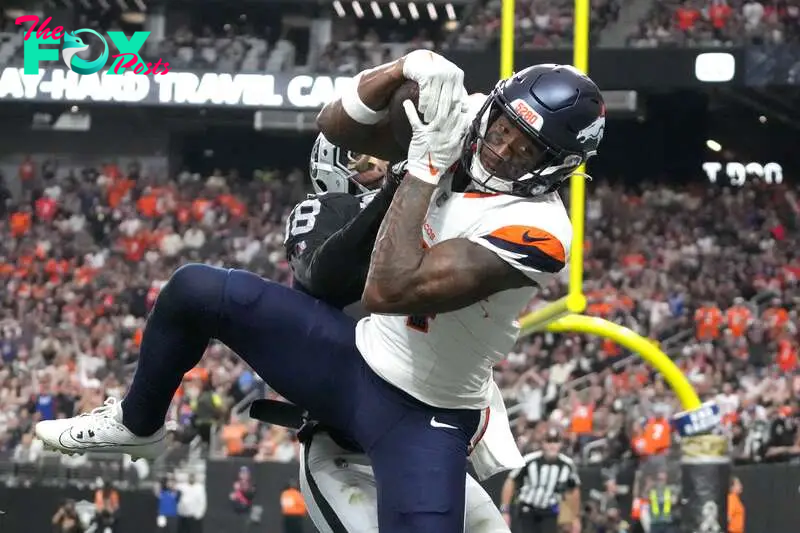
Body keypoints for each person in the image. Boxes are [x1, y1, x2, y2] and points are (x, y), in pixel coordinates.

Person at [35, 49, 605, 533]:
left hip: (426, 411)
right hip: (356, 359)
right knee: (194, 290)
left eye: (524, 148)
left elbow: (389, 287)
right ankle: (138, 425)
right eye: (504, 128)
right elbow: (334, 124)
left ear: (557, 166)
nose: (501, 148)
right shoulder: (473, 118)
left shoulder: (540, 231)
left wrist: (424, 165)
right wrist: (402, 67)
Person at [254, 133, 515, 532]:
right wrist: (392, 195)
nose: (382, 163)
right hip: (347, 450)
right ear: (336, 165)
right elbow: (322, 275)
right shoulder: (324, 212)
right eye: (364, 156)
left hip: (420, 441)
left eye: (388, 155)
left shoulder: (429, 220)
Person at [500, 428, 581, 533]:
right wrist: (505, 510)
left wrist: (575, 517)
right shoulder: (529, 460)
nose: (552, 445)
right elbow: (511, 481)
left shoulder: (567, 465)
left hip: (550, 511)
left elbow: (574, 490)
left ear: (561, 444)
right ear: (542, 443)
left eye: (556, 441)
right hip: (527, 509)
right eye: (548, 441)